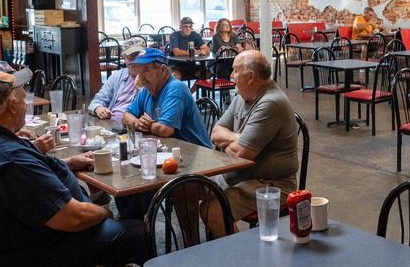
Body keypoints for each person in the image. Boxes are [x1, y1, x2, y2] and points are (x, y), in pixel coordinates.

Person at [0, 69, 148, 267]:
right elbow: (71, 218)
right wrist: (104, 214)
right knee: (137, 233)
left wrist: (67, 163)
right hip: (22, 258)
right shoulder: (11, 162)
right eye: (24, 100)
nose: (26, 106)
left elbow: (28, 175)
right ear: (12, 107)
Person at [205, 50, 299, 238]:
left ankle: (239, 261)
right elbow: (215, 133)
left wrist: (231, 140)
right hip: (239, 177)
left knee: (213, 210)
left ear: (250, 77)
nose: (231, 75)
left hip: (271, 185)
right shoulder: (242, 97)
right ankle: (192, 248)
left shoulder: (271, 102)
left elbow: (240, 154)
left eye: (235, 70)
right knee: (187, 189)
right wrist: (239, 138)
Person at [123, 48, 211, 148]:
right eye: (139, 71)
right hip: (171, 150)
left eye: (146, 70)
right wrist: (137, 123)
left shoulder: (175, 88)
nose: (141, 77)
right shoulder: (146, 89)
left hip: (197, 153)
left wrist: (146, 126)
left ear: (163, 69)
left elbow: (165, 130)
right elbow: (126, 115)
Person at [89, 38, 144, 122]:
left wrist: (140, 89)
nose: (136, 61)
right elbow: (97, 100)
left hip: (134, 127)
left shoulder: (151, 78)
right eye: (131, 57)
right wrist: (98, 108)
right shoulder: (117, 76)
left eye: (139, 56)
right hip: (110, 124)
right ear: (124, 58)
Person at [169, 16, 210, 81]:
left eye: (190, 27)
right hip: (176, 64)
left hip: (190, 64)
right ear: (181, 27)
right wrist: (193, 52)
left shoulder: (194, 35)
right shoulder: (174, 36)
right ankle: (181, 91)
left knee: (206, 73)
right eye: (185, 26)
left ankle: (190, 91)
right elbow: (177, 52)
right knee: (176, 77)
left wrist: (202, 51)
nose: (188, 29)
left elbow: (206, 49)